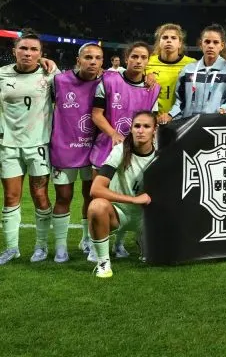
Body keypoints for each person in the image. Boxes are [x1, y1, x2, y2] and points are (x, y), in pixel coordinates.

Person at [90, 42, 161, 259]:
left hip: (136, 148)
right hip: (107, 147)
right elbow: (96, 114)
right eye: (134, 57)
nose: (138, 61)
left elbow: (152, 119)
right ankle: (93, 245)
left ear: (148, 61)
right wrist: (113, 134)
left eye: (143, 57)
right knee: (96, 198)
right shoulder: (109, 79)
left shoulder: (152, 88)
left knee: (131, 190)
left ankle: (119, 244)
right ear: (126, 58)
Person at [0, 30, 57, 265]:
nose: (28, 53)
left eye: (34, 49)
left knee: (40, 195)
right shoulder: (1, 74)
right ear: (14, 51)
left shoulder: (51, 74)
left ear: (41, 54)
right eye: (23, 48)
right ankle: (12, 248)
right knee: (11, 196)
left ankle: (41, 246)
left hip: (38, 145)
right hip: (8, 145)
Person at [86, 111, 158, 278]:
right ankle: (103, 262)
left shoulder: (162, 152)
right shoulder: (120, 150)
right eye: (137, 126)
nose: (141, 130)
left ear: (154, 130)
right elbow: (96, 189)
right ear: (131, 129)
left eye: (146, 126)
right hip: (120, 214)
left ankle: (145, 240)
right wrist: (133, 199)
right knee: (96, 206)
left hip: (148, 217)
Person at [50, 43, 104, 262]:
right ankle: (61, 246)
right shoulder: (59, 80)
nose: (93, 61)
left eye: (98, 58)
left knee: (90, 196)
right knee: (64, 197)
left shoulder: (107, 82)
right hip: (64, 149)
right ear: (78, 59)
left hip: (93, 150)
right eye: (88, 57)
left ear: (102, 62)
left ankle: (86, 239)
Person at [170, 24, 226, 119]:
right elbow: (180, 101)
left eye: (215, 42)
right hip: (189, 126)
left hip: (216, 125)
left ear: (222, 46)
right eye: (207, 42)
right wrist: (170, 115)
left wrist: (225, 109)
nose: (211, 46)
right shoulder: (188, 70)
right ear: (201, 44)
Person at [147, 23, 195, 125]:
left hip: (182, 119)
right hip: (154, 119)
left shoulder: (192, 64)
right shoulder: (148, 62)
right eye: (164, 37)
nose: (169, 40)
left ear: (180, 43)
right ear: (159, 42)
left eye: (173, 38)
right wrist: (144, 77)